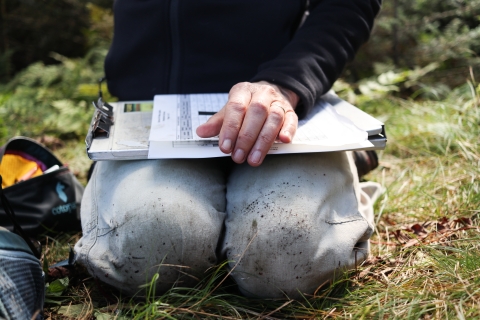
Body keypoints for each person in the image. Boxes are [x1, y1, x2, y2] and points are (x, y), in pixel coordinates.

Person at [74, 0, 383, 299]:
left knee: (290, 258)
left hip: (281, 105)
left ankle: (343, 188)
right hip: (151, 116)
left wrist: (287, 82)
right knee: (148, 253)